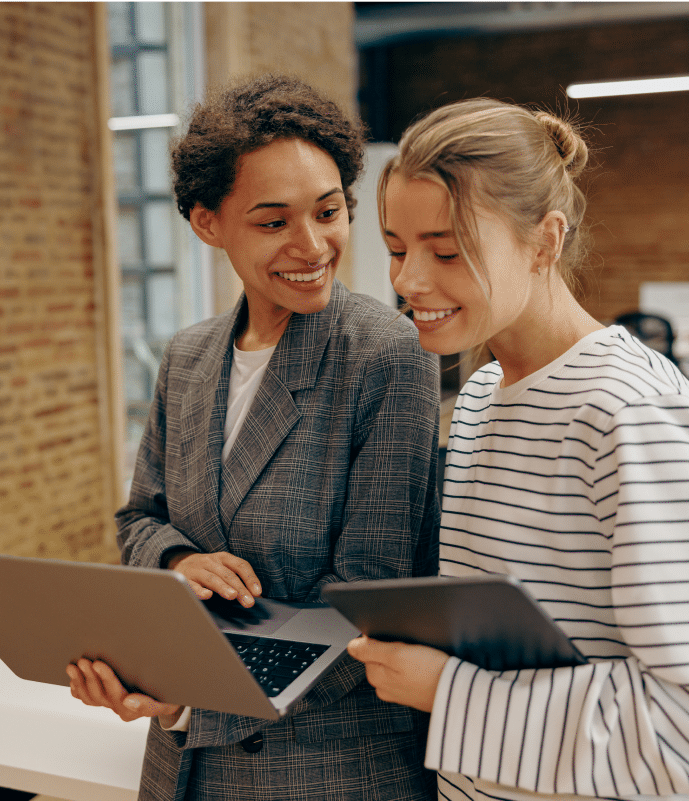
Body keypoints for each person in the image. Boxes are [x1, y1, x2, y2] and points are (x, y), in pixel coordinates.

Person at [347, 97, 689, 801]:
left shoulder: (628, 415)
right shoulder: (481, 396)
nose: (408, 281)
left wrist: (451, 692)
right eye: (398, 249)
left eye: (448, 250)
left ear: (545, 242)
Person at [67, 74, 441, 801]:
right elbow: (139, 519)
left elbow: (368, 604)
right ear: (209, 223)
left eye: (328, 211)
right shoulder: (188, 357)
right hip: (182, 768)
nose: (313, 245)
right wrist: (179, 561)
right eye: (274, 223)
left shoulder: (385, 353)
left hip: (322, 770)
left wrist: (185, 701)